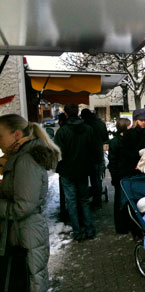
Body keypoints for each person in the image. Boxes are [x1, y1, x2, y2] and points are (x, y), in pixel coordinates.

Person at [0, 114, 60, 292]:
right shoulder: (20, 157)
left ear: (17, 134)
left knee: (31, 281)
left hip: (27, 233)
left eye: (0, 136)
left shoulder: (26, 160)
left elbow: (24, 205)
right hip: (24, 233)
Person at [55, 103, 96, 241]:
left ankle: (77, 232)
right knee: (84, 200)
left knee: (71, 202)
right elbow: (93, 150)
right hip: (83, 170)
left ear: (66, 114)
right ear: (78, 112)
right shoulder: (88, 129)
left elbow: (58, 154)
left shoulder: (62, 132)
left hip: (67, 171)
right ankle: (89, 229)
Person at [80, 108, 109, 208]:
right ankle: (97, 201)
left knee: (85, 180)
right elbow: (106, 138)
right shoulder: (100, 123)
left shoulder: (84, 125)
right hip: (98, 154)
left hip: (86, 156)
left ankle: (86, 201)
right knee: (97, 179)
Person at [108, 118, 131, 234]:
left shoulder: (115, 141)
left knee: (120, 202)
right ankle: (123, 225)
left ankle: (122, 226)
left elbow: (112, 161)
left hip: (120, 175)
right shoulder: (121, 141)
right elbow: (113, 161)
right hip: (123, 175)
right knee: (122, 201)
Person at [120, 108, 145, 178]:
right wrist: (137, 154)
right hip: (131, 167)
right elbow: (125, 151)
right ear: (136, 121)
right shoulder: (129, 133)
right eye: (141, 120)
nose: (143, 122)